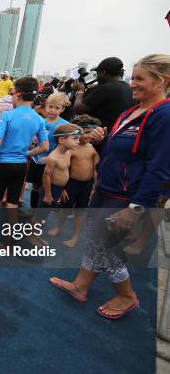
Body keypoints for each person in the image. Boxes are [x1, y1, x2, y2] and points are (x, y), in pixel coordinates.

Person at [50, 54, 170, 319]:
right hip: (106, 187)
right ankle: (81, 285)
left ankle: (127, 295)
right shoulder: (131, 111)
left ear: (163, 81)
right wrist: (98, 138)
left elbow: (160, 167)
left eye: (140, 79)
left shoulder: (164, 115)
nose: (132, 84)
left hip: (126, 195)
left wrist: (136, 208)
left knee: (106, 246)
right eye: (133, 78)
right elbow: (122, 149)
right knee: (94, 238)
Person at [0, 77, 49, 242]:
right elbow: (45, 147)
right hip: (21, 166)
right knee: (12, 203)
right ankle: (8, 240)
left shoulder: (8, 115)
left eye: (12, 93)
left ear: (18, 95)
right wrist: (27, 154)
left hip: (4, 164)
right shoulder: (39, 119)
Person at [48, 114, 101, 247]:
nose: (89, 136)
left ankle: (75, 236)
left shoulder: (93, 149)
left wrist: (96, 187)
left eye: (91, 132)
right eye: (86, 132)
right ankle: (59, 227)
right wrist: (63, 188)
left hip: (86, 185)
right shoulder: (71, 149)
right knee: (64, 209)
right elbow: (62, 169)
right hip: (71, 184)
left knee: (80, 212)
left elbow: (95, 169)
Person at [29, 124, 82, 247]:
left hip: (58, 189)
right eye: (75, 139)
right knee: (40, 216)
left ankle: (35, 235)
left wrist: (63, 189)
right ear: (62, 140)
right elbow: (46, 177)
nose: (78, 142)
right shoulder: (53, 157)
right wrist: (48, 195)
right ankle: (31, 236)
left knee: (45, 215)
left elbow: (64, 172)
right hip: (50, 190)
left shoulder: (68, 153)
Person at [27, 93, 70, 208]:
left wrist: (52, 157)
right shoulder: (41, 122)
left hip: (53, 161)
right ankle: (33, 210)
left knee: (47, 186)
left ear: (63, 109)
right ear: (45, 106)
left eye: (57, 108)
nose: (53, 110)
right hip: (37, 159)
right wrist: (34, 141)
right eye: (50, 106)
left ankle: (41, 213)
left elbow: (66, 146)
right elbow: (35, 140)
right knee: (35, 185)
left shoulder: (65, 125)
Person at [74, 57, 135, 130]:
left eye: (97, 73)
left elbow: (79, 109)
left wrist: (80, 91)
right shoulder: (130, 89)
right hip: (117, 133)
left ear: (103, 72)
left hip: (99, 134)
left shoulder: (105, 88)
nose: (97, 76)